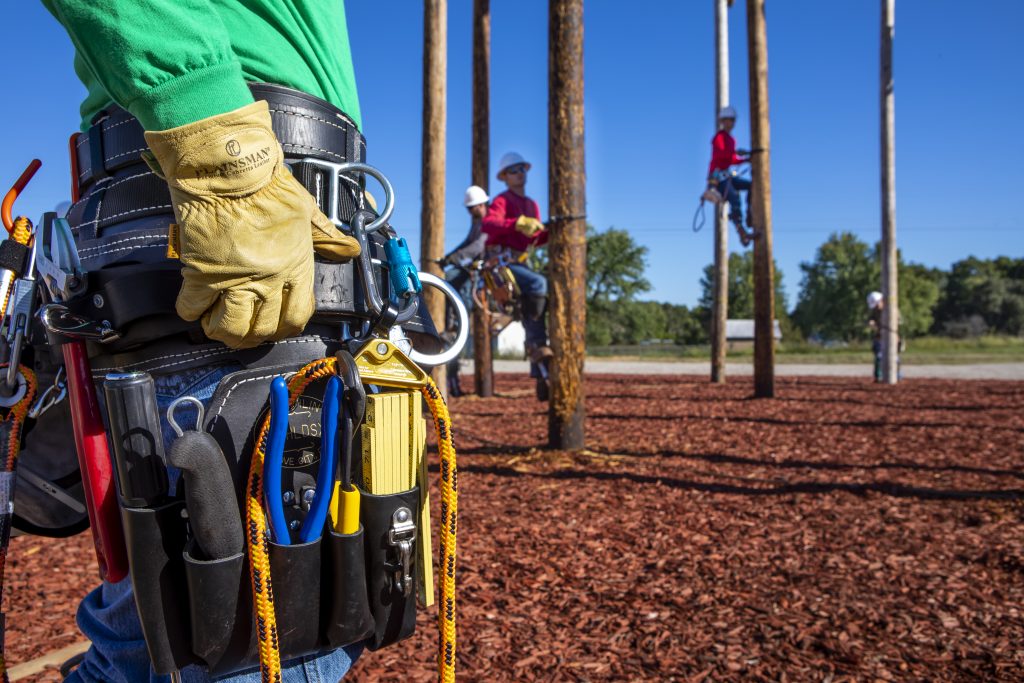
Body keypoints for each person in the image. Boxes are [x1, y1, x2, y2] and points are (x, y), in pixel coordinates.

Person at [38, 2, 368, 681]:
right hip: (222, 201)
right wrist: (216, 139)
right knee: (241, 644)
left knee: (199, 639)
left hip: (289, 223)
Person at [482, 152, 552, 401]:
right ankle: (528, 324)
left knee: (544, 298)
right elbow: (488, 225)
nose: (520, 173)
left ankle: (541, 367)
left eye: (522, 168)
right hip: (502, 264)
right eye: (514, 170)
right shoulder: (502, 200)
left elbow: (533, 238)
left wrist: (547, 231)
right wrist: (515, 223)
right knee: (538, 283)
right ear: (504, 177)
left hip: (521, 263)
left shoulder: (532, 204)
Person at [440, 185, 490, 396]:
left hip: (482, 273)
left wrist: (456, 258)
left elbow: (478, 247)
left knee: (454, 280)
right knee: (449, 279)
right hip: (470, 270)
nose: (470, 212)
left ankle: (457, 319)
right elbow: (467, 243)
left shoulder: (488, 222)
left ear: (481, 204)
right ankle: (450, 321)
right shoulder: (476, 223)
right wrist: (450, 255)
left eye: (472, 208)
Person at [706, 106, 757, 247]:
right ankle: (741, 230)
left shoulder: (731, 139)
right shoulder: (719, 137)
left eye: (732, 120)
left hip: (728, 176)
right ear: (722, 121)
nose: (731, 123)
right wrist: (738, 155)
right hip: (718, 177)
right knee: (734, 199)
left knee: (752, 186)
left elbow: (731, 159)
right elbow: (721, 157)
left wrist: (745, 159)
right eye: (728, 120)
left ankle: (750, 213)